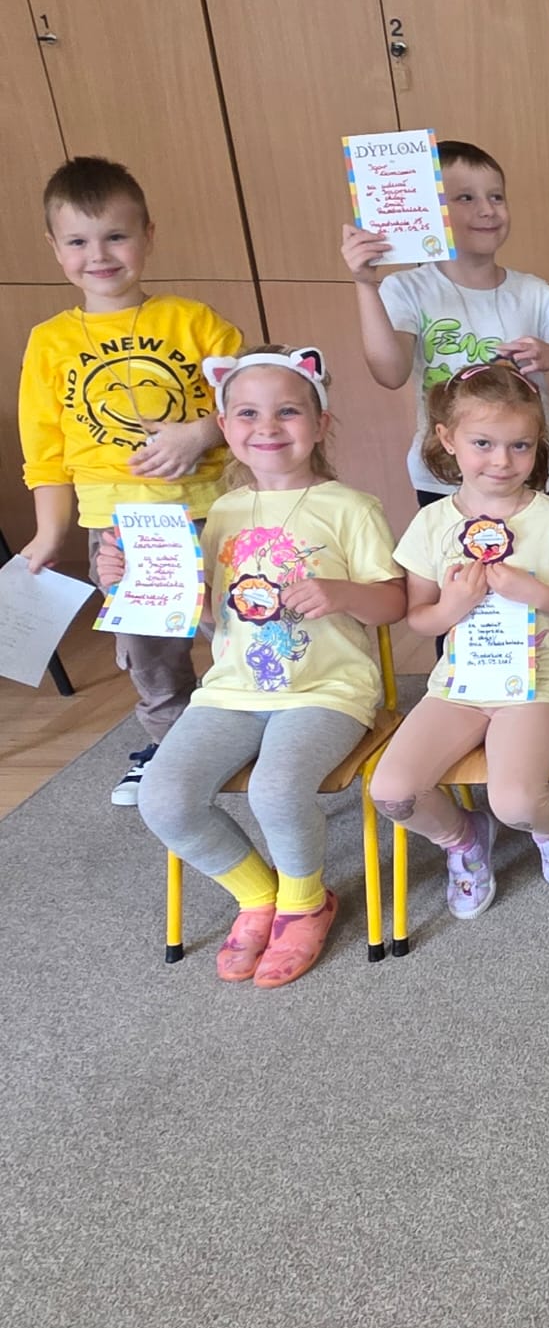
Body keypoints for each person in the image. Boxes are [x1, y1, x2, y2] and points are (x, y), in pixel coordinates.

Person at [121, 348, 406, 985]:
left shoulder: (350, 507)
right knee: (163, 797)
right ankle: (258, 895)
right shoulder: (223, 512)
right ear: (224, 428)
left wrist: (342, 593)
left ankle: (305, 903)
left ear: (321, 423)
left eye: (288, 412)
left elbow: (394, 604)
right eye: (247, 413)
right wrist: (134, 580)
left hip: (327, 691)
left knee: (277, 790)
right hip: (230, 692)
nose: (268, 426)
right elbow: (206, 613)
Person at [16, 156, 243, 805]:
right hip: (119, 530)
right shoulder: (50, 342)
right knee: (150, 649)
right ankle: (173, 750)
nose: (99, 255)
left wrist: (201, 432)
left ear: (148, 234)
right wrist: (49, 534)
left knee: (239, 624)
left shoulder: (193, 321)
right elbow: (46, 453)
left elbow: (256, 401)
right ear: (54, 248)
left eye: (116, 236)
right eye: (78, 241)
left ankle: (256, 723)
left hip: (211, 512)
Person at [371, 360, 549, 924]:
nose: (502, 461)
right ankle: (463, 838)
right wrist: (450, 608)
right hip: (459, 684)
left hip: (540, 680)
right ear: (447, 439)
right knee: (393, 792)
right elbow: (419, 619)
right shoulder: (431, 524)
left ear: (538, 445)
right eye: (483, 443)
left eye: (520, 446)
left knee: (518, 802)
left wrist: (540, 593)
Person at [342, 137, 549, 507]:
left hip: (529, 473)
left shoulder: (534, 292)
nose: (488, 210)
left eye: (496, 197)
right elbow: (389, 373)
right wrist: (365, 284)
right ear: (429, 210)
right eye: (465, 198)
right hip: (445, 479)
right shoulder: (407, 289)